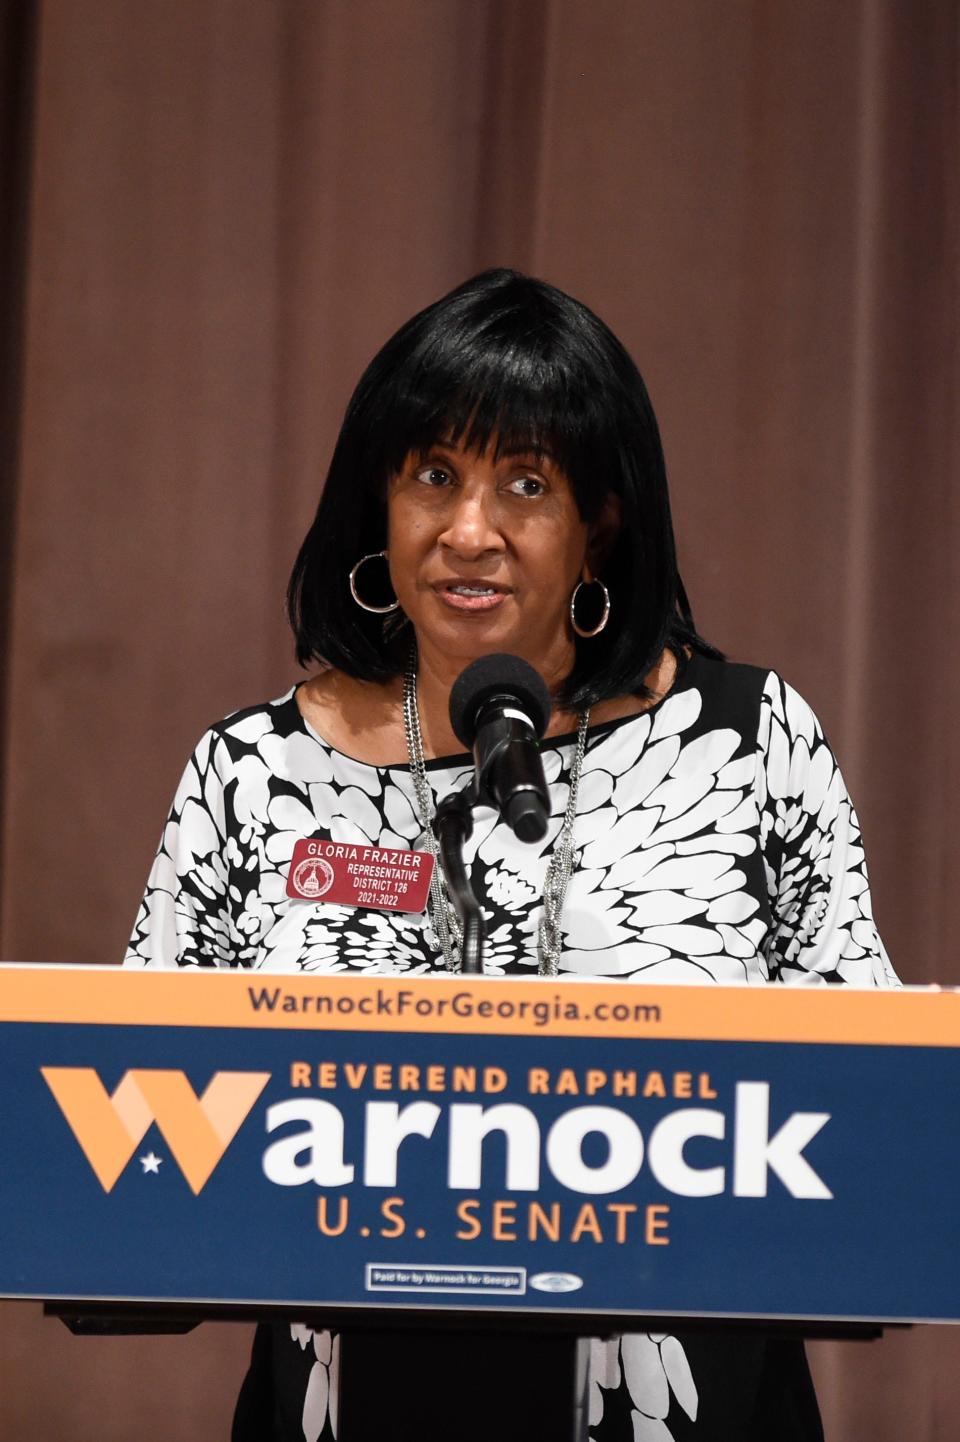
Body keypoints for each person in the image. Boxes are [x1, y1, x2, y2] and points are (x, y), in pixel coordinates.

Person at [125, 268, 898, 1441]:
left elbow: (865, 1110)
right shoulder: (253, 771)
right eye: (434, 474)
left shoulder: (748, 742)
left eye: (525, 483)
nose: (468, 531)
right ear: (376, 504)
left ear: (602, 520)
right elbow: (136, 1125)